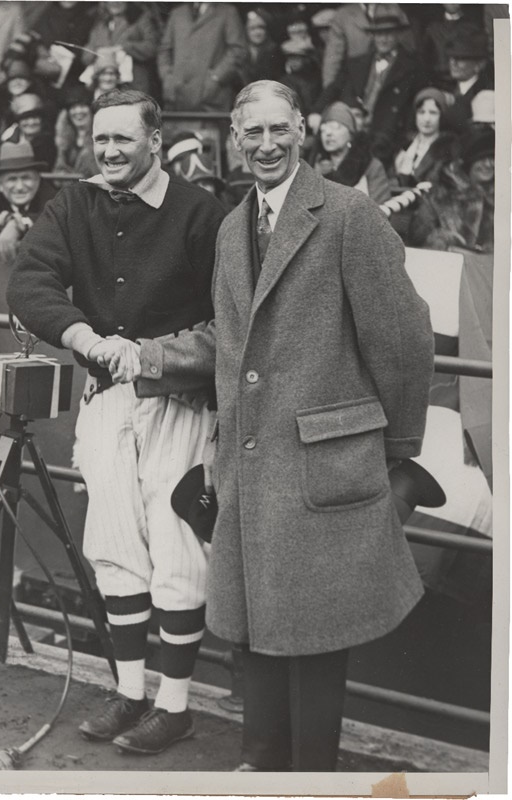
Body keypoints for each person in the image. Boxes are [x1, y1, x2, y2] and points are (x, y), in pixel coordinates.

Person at [125, 79, 434, 771]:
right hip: (250, 461)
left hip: (326, 467)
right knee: (254, 630)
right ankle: (262, 768)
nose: (266, 145)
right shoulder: (236, 226)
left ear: (302, 129)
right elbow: (230, 343)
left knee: (317, 640)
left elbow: (406, 342)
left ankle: (310, 777)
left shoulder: (350, 215)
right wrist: (140, 358)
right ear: (234, 140)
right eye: (251, 133)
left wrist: (393, 452)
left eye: (278, 130)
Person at [6, 89, 226, 755]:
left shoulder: (201, 213)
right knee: (112, 547)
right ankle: (130, 691)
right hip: (108, 398)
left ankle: (175, 704)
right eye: (101, 140)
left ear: (155, 141)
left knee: (177, 553)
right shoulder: (75, 202)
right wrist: (86, 337)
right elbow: (29, 281)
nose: (108, 152)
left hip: (180, 403)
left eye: (123, 140)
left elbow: (233, 322)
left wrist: (153, 357)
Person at [311, 12, 426, 168]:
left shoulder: (411, 67)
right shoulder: (357, 62)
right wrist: (317, 111)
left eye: (389, 34)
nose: (383, 39)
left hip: (386, 132)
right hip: (353, 126)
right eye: (379, 34)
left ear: (398, 35)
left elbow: (419, 101)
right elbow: (334, 87)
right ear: (373, 36)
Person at [409, 128, 495, 253]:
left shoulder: (502, 196)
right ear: (467, 161)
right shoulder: (439, 195)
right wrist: (444, 241)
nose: (488, 164)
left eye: (492, 158)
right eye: (481, 158)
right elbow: (419, 239)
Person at [158, 2, 247, 112]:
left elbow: (237, 50)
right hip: (176, 97)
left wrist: (216, 78)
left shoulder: (227, 12)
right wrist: (167, 77)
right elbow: (164, 50)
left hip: (210, 98)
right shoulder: (177, 13)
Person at [309, 101, 390, 204]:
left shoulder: (371, 166)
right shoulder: (315, 166)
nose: (328, 133)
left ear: (350, 134)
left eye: (335, 127)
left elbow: (381, 210)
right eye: (324, 128)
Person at [83, 2, 160, 97]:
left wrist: (124, 47)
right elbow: (86, 55)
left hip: (134, 86)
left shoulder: (141, 19)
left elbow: (152, 47)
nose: (115, 2)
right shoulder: (100, 23)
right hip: (105, 87)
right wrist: (97, 51)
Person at [393, 87, 458, 187]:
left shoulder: (447, 148)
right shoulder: (405, 144)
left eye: (433, 113)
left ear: (442, 116)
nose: (426, 119)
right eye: (421, 112)